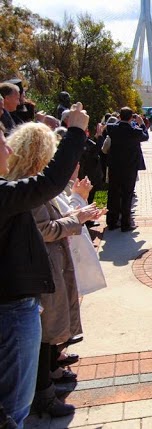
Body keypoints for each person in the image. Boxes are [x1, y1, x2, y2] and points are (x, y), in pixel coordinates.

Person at [0, 103, 89, 429]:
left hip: (23, 295)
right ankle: (42, 396)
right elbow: (49, 191)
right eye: (1, 140)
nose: (7, 146)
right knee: (14, 405)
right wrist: (77, 130)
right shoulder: (12, 191)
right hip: (13, 305)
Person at [104, 107, 148, 232]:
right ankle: (125, 223)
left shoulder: (112, 129)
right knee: (127, 194)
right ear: (131, 118)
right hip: (130, 168)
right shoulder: (135, 131)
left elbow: (108, 127)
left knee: (113, 193)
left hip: (114, 167)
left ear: (119, 117)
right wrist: (142, 123)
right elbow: (146, 136)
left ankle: (111, 222)